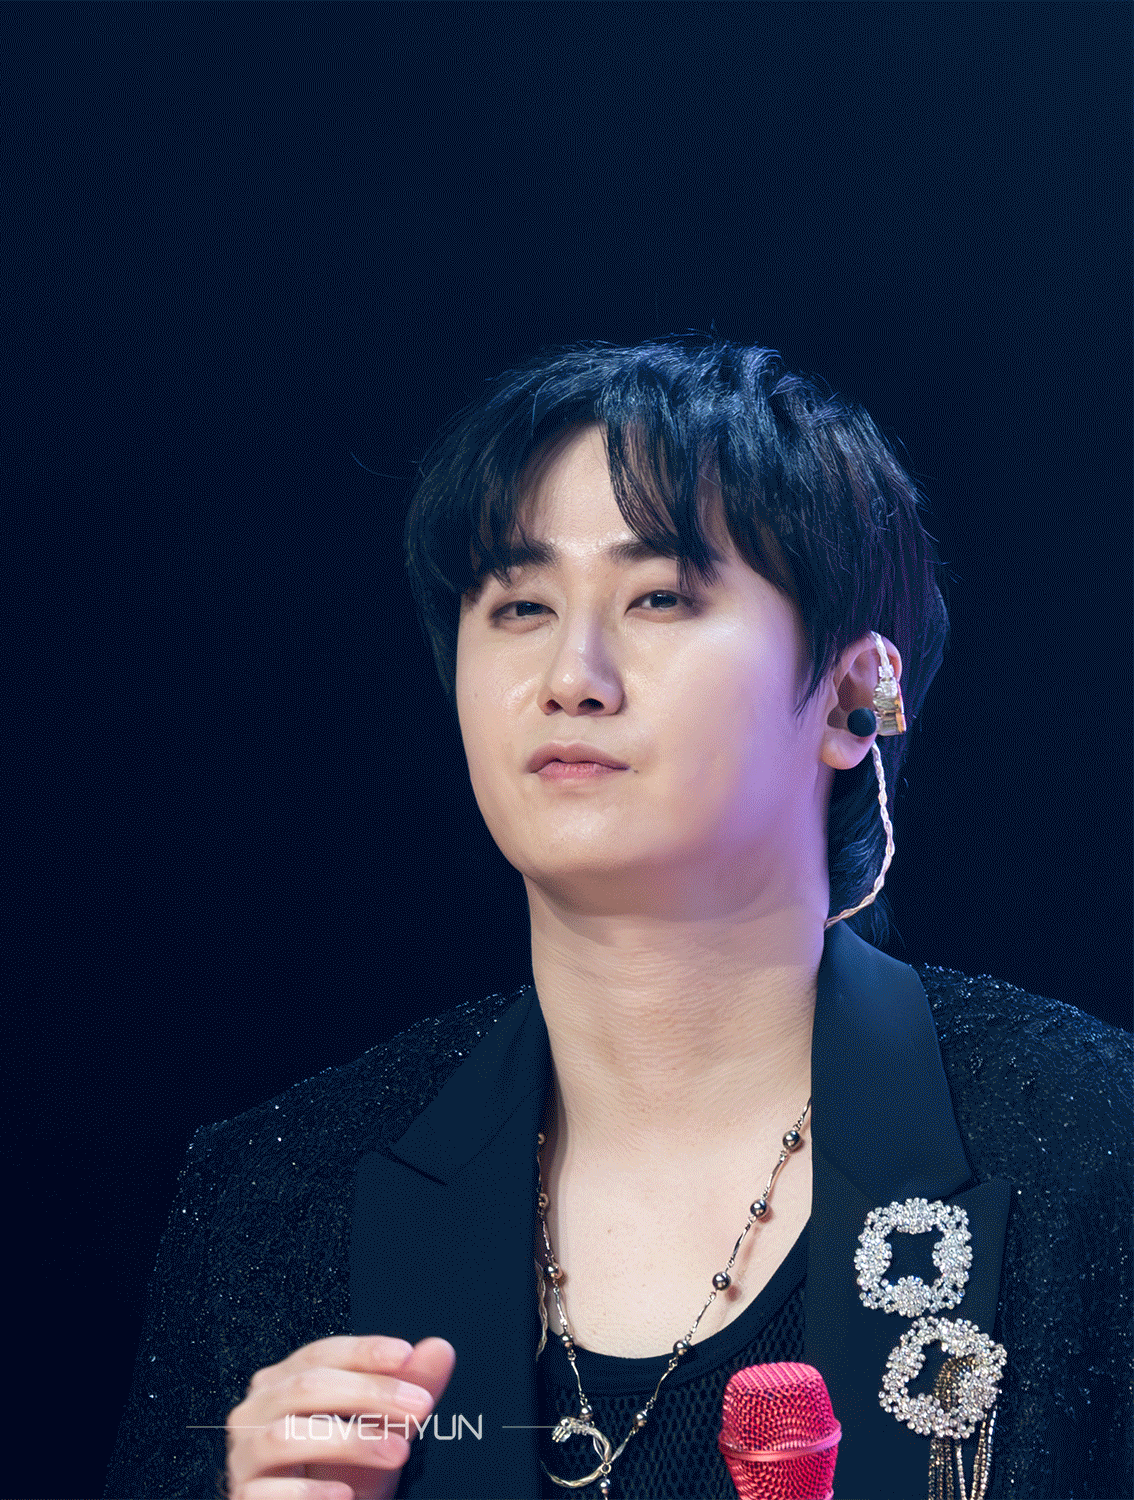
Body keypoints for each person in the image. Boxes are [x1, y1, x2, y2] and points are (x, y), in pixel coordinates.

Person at [104, 338, 1131, 1500]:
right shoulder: (275, 1202)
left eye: (658, 598)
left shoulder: (1094, 1151)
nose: (571, 674)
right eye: (520, 605)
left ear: (856, 695)